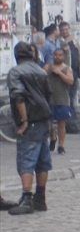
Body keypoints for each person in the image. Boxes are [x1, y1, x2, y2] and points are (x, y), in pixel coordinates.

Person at [6, 42, 53, 215]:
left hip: (30, 119)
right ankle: (40, 197)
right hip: (43, 118)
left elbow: (18, 96)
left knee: (26, 159)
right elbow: (49, 96)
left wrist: (24, 120)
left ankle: (27, 198)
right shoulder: (41, 71)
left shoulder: (16, 72)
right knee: (42, 160)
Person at [46, 48, 74, 155]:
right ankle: (53, 137)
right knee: (48, 122)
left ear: (63, 57)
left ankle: (61, 145)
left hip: (62, 99)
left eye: (60, 55)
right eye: (55, 55)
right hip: (49, 99)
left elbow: (70, 81)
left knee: (61, 123)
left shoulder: (67, 69)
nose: (57, 57)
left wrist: (60, 73)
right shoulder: (47, 67)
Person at [58, 22, 80, 102]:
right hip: (65, 71)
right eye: (62, 30)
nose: (65, 32)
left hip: (75, 71)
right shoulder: (59, 41)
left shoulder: (74, 40)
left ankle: (72, 111)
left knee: (73, 93)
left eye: (66, 29)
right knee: (66, 93)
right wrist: (65, 42)